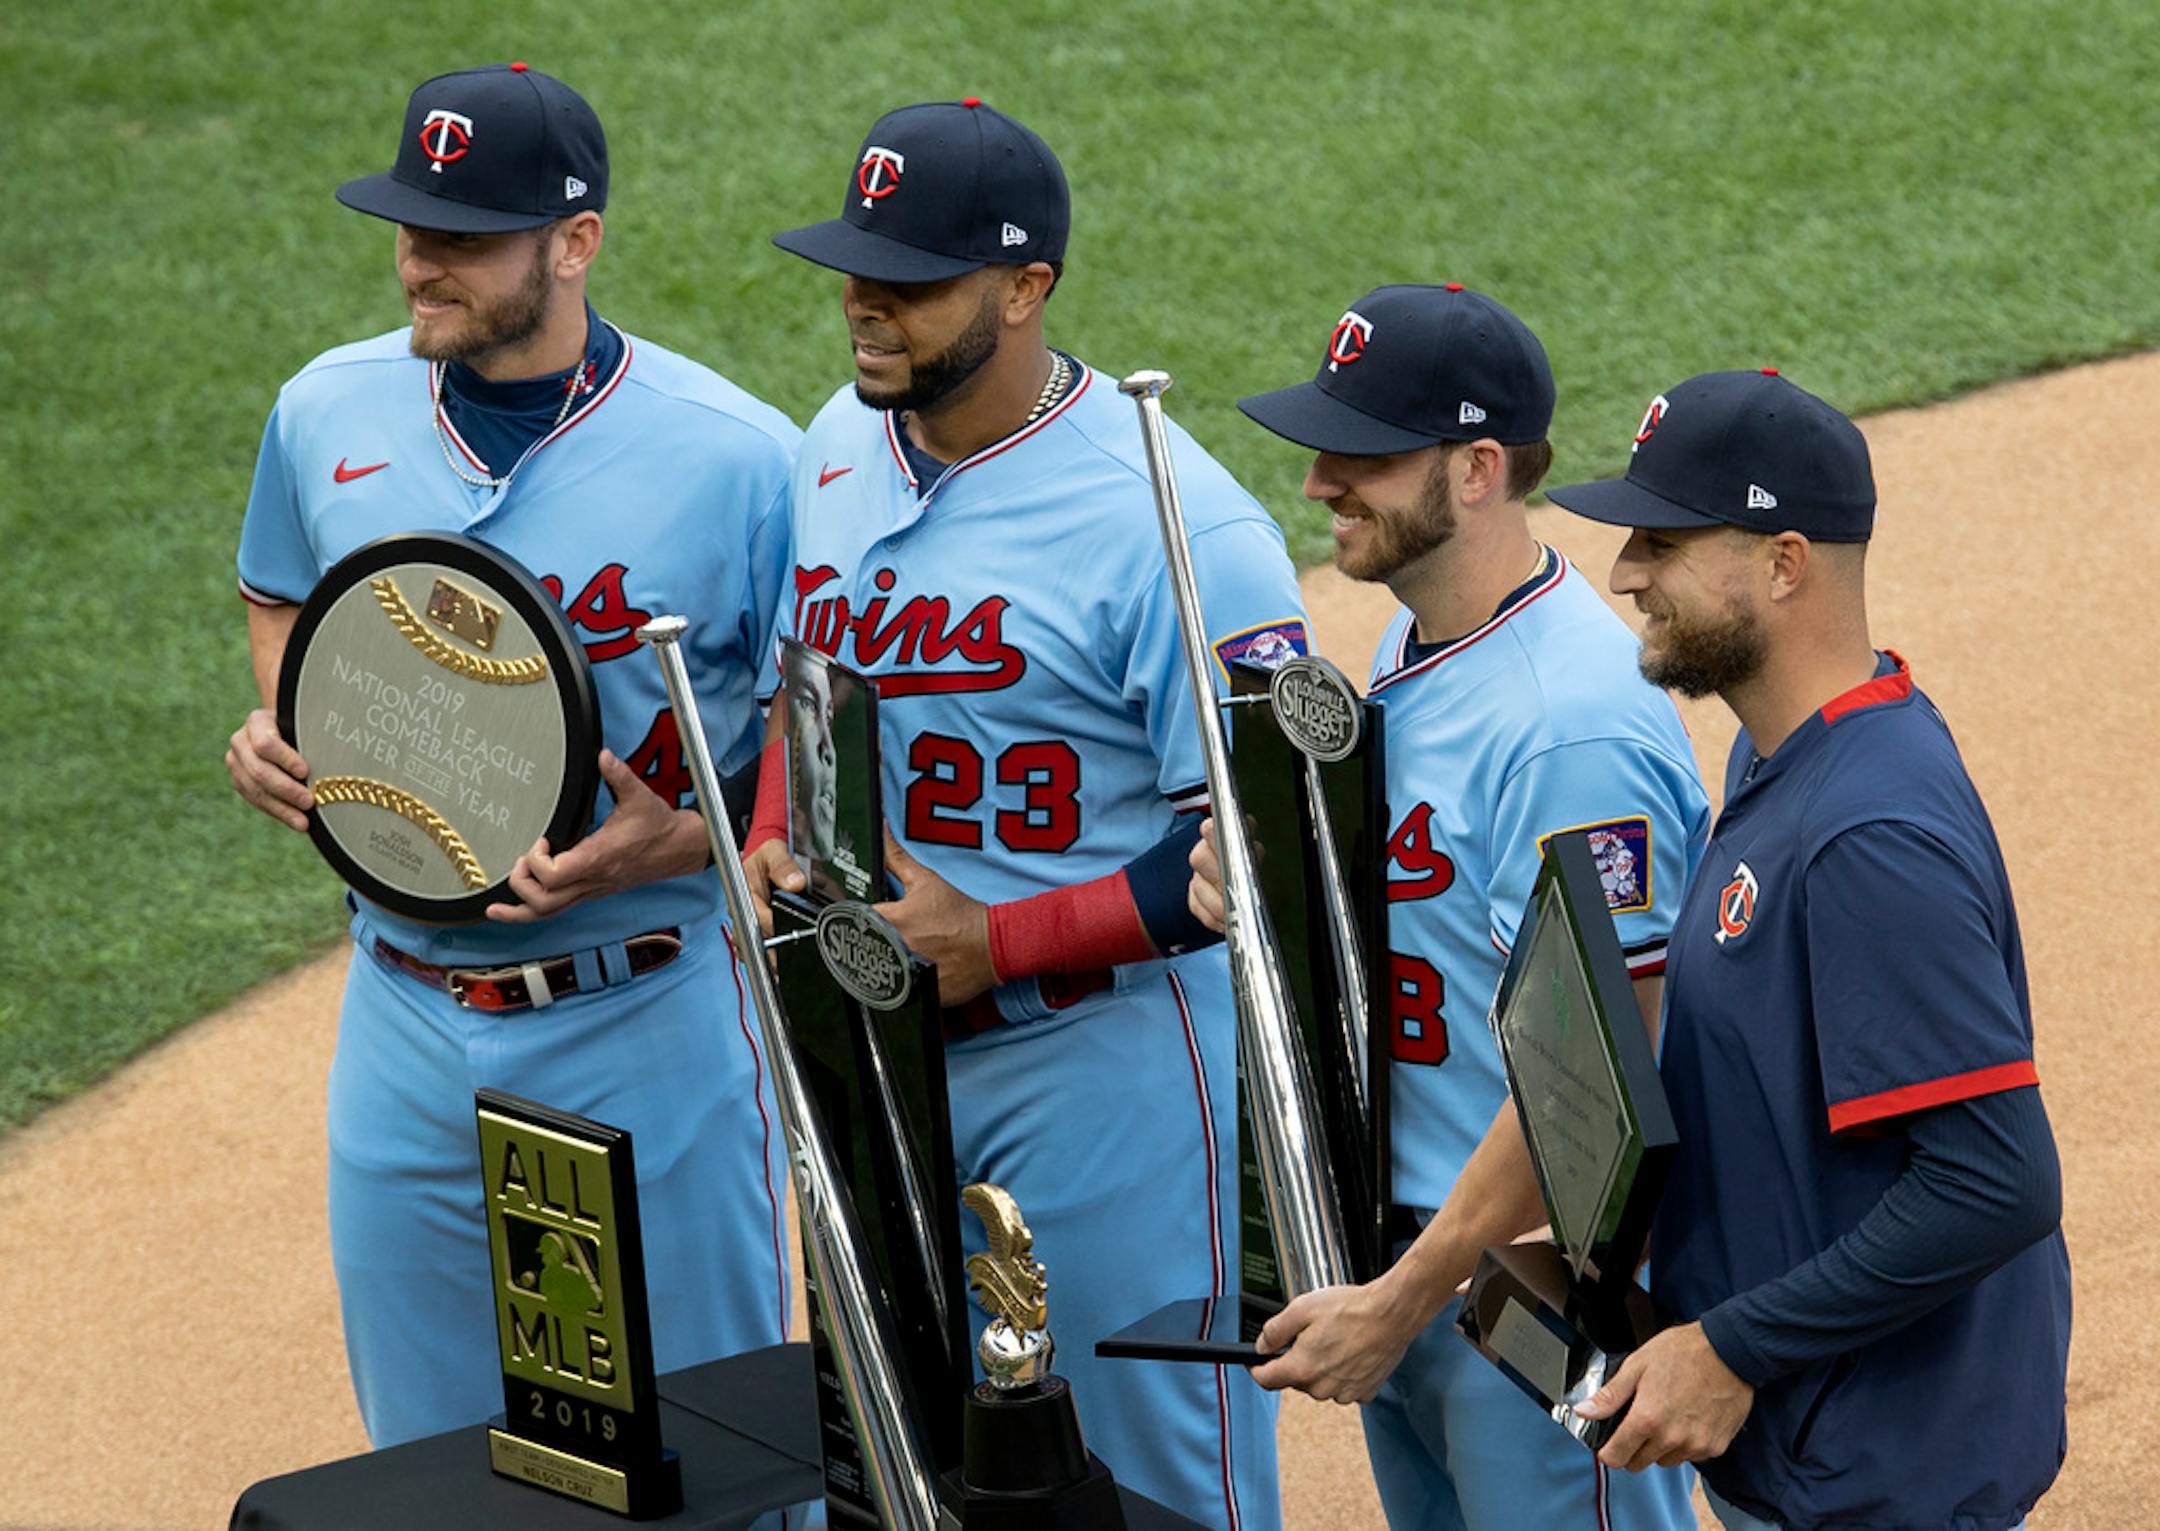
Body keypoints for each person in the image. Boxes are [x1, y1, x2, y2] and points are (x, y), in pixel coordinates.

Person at [750, 98, 1309, 1531]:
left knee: (1146, 1477)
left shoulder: (1180, 523)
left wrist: (1006, 937)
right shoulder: (834, 440)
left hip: (1095, 1064)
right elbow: (800, 682)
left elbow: (1257, 855)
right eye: (855, 268)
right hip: (872, 1061)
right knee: (899, 1467)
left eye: (911, 278)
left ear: (1024, 286)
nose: (866, 305)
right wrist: (770, 828)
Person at [223, 63, 799, 1447]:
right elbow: (283, 596)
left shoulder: (743, 462)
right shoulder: (325, 410)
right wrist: (292, 734)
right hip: (405, 1016)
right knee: (431, 1460)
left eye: (464, 240)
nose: (421, 264)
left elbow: (821, 736)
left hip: (648, 1017)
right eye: (412, 228)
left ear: (575, 242)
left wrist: (695, 831)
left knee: (710, 1456)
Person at [1190, 283, 1710, 1529]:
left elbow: (1597, 1092)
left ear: (1478, 467)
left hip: (1527, 1289)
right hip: (1422, 1265)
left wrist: (1403, 1297)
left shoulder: (1565, 726)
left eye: (1360, 455)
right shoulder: (1418, 648)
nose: (1319, 482)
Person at [1544, 370, 2070, 1529]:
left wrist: (1730, 1345)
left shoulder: (1867, 834)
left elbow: (1998, 1181)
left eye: (1664, 539)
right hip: (1821, 1442)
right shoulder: (1783, 755)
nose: (1627, 569)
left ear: (1786, 563)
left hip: (1881, 1472)